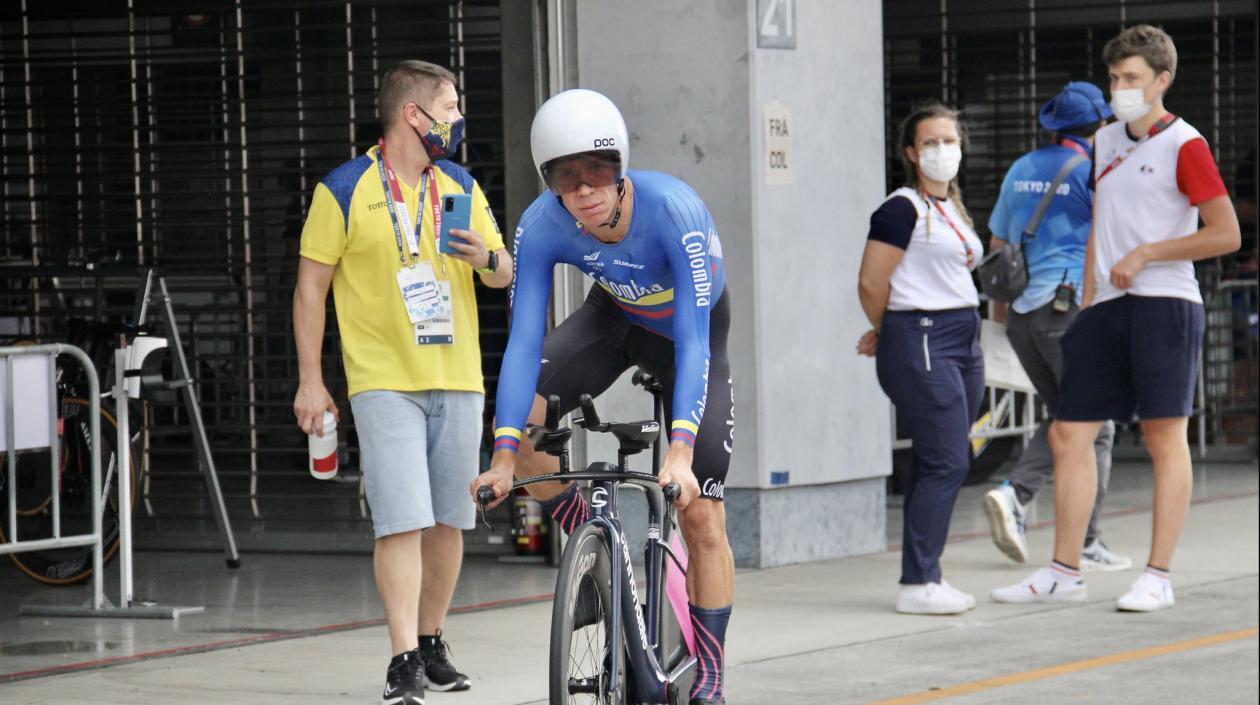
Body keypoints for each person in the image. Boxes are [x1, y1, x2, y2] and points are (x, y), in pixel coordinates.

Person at [470, 88, 735, 705]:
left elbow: (695, 344)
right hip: (613, 320)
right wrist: (505, 460)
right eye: (567, 175)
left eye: (599, 169)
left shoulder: (674, 210)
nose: (585, 188)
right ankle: (602, 561)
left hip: (691, 338)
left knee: (701, 516)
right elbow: (521, 344)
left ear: (621, 167)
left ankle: (713, 681)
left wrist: (679, 452)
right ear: (550, 182)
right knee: (520, 424)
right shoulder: (541, 224)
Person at [993, 25, 1240, 612]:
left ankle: (1158, 575)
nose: (1121, 88)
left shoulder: (1187, 144)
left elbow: (1225, 233)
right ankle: (1063, 569)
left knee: (1162, 439)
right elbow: (1101, 222)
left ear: (1162, 80)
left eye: (1131, 78)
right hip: (1102, 308)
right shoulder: (1102, 142)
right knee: (1068, 434)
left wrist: (1149, 253)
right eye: (1114, 78)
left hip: (1166, 304)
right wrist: (1087, 296)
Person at [293, 60, 512, 704]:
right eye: (449, 107)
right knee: (401, 521)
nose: (457, 119)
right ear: (413, 115)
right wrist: (312, 381)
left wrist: (488, 259)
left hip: (459, 377)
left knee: (449, 521)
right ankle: (403, 657)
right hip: (383, 381)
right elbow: (310, 289)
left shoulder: (461, 185)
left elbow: (505, 271)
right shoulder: (343, 189)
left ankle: (434, 638)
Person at [982, 82, 1132, 572]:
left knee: (1072, 417)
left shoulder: (1022, 167)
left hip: (1023, 314)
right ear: (1099, 124)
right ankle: (1029, 502)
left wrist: (1003, 315)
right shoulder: (1096, 171)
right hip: (1067, 310)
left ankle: (1059, 522)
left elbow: (998, 240)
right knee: (1093, 423)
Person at [857, 101, 985, 615]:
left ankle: (929, 572)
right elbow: (871, 282)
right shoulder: (901, 207)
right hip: (924, 333)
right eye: (930, 142)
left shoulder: (951, 206)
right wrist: (891, 329)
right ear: (911, 153)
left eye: (949, 141)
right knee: (946, 459)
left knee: (950, 458)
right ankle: (917, 582)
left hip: (961, 335)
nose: (941, 150)